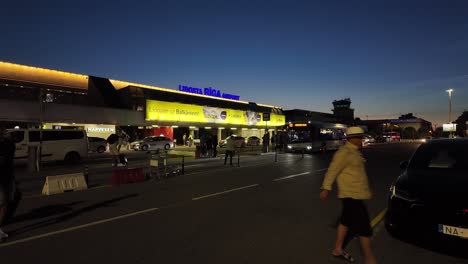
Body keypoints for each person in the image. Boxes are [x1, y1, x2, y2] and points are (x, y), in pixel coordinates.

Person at [320, 127, 376, 264]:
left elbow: (357, 174)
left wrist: (367, 189)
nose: (362, 140)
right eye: (360, 137)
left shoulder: (354, 152)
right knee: (365, 229)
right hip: (351, 196)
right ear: (353, 138)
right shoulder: (344, 153)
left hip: (355, 194)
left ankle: (338, 249)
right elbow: (332, 171)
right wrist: (326, 188)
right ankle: (369, 259)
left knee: (345, 221)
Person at [0, 127, 16, 242]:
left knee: (5, 202)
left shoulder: (7, 144)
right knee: (3, 202)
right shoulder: (6, 144)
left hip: (6, 177)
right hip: (3, 178)